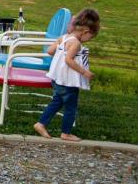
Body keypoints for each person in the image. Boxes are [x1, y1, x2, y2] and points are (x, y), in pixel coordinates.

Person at [34, 8, 100, 142]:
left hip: (58, 79)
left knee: (57, 102)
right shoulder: (76, 43)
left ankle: (41, 124)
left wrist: (60, 50)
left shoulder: (64, 37)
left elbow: (50, 51)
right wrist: (84, 72)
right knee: (71, 108)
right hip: (68, 82)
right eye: (91, 37)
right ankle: (66, 133)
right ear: (86, 31)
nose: (89, 39)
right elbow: (68, 60)